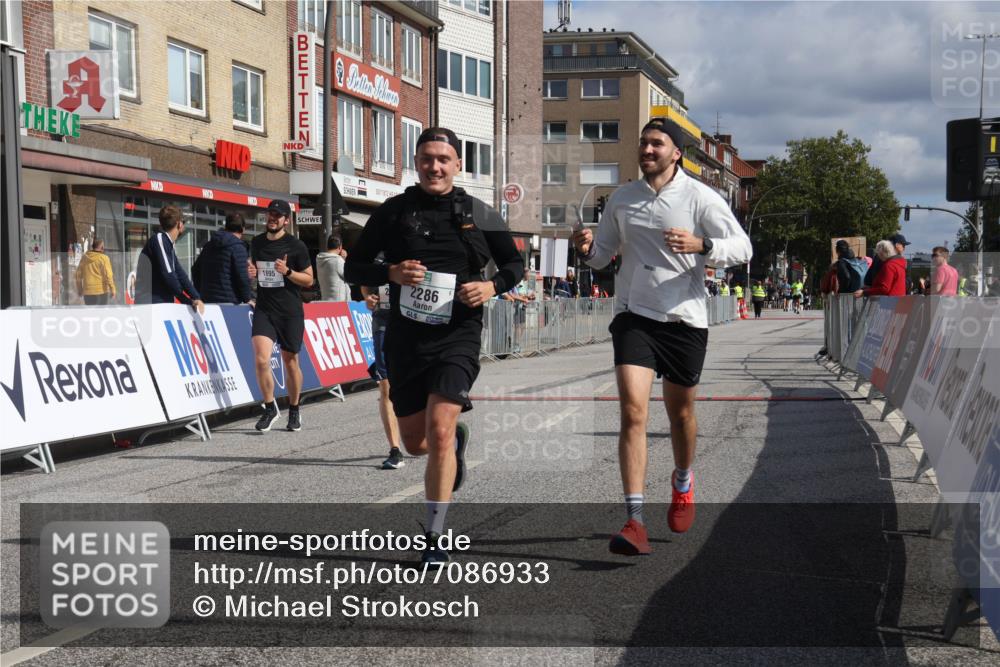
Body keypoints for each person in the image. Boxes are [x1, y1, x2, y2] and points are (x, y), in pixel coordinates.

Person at [571, 117, 752, 555]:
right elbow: (604, 257)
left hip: (684, 321)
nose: (648, 150)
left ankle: (683, 479)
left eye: (657, 144)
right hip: (634, 316)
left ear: (676, 154)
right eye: (644, 143)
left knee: (680, 416)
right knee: (633, 412)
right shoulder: (623, 198)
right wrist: (587, 249)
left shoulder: (700, 197)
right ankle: (634, 520)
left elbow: (743, 248)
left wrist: (703, 247)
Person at [344, 127, 523, 566]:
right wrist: (391, 273)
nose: (435, 166)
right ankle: (453, 445)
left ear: (457, 164)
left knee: (439, 428)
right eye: (427, 158)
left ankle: (435, 537)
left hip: (457, 335)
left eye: (444, 159)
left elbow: (515, 263)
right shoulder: (393, 212)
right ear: (417, 163)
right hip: (407, 338)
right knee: (415, 444)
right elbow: (353, 268)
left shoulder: (479, 212)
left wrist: (491, 286)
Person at [248, 199, 313, 432]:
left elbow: (309, 279)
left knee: (290, 361)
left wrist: (287, 271)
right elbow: (256, 270)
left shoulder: (296, 246)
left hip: (289, 311)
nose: (273, 218)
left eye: (278, 215)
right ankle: (269, 407)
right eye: (270, 214)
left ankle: (294, 409)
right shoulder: (256, 242)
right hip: (265, 308)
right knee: (261, 359)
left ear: (286, 220)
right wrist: (253, 272)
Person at [361, 258, 404, 470]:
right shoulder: (376, 256)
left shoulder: (413, 249)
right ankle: (395, 450)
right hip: (382, 324)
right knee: (385, 387)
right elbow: (365, 285)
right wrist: (368, 298)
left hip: (411, 324)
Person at [136, 206, 205, 313]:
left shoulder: (168, 245)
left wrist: (196, 298)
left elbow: (180, 274)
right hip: (152, 306)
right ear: (179, 224)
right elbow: (168, 275)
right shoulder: (159, 239)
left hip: (161, 304)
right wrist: (187, 301)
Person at [191, 213, 252, 304]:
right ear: (243, 229)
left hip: (208, 301)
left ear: (225, 227)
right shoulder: (238, 248)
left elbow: (195, 270)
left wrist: (200, 293)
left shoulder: (208, 245)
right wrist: (248, 299)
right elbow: (241, 277)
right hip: (229, 303)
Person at [75, 238, 116, 305]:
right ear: (102, 247)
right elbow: (108, 275)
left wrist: (80, 290)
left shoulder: (84, 258)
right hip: (101, 291)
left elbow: (78, 275)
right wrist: (113, 289)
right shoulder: (104, 258)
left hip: (88, 292)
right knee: (101, 314)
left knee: (91, 314)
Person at [316, 235, 351, 301]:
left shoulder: (320, 260)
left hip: (326, 300)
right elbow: (350, 277)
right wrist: (345, 259)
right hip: (339, 303)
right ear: (340, 247)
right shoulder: (338, 261)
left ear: (327, 246)